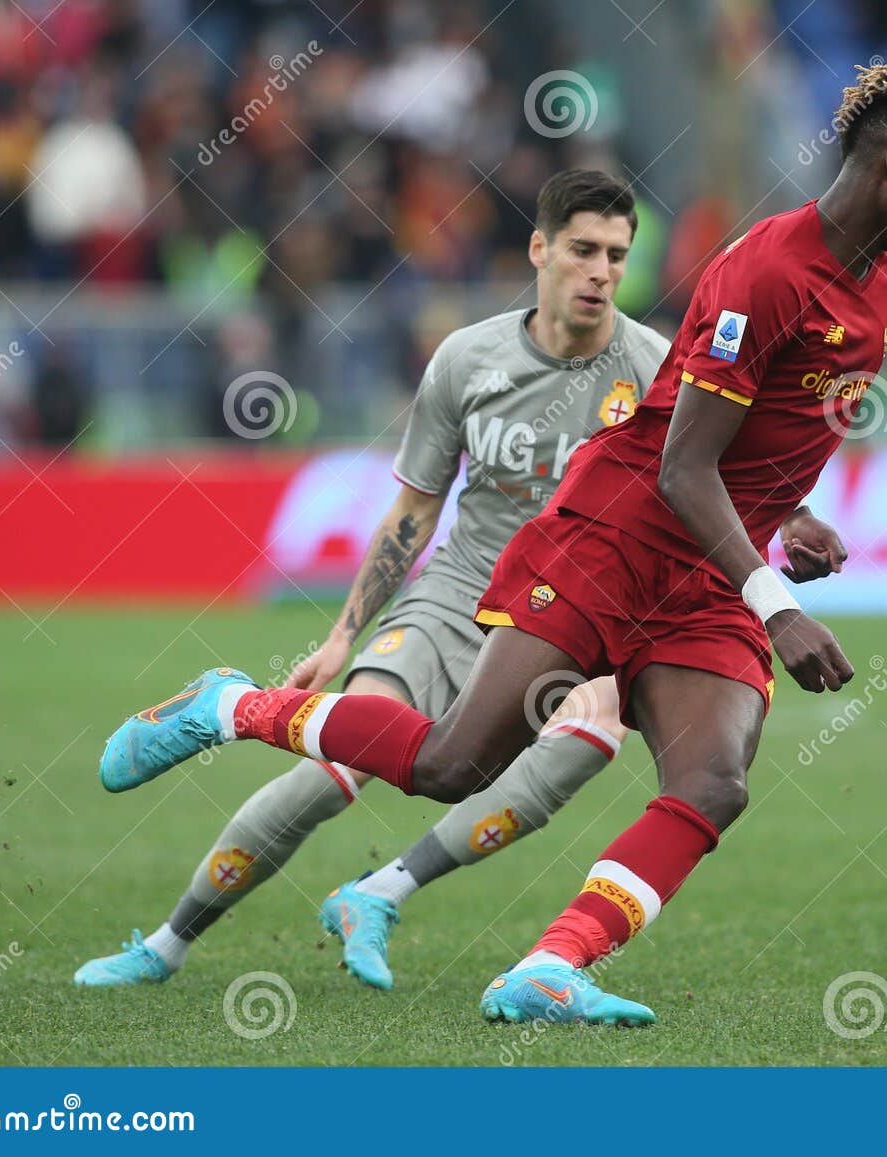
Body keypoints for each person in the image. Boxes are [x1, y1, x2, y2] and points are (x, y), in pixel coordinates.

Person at [98, 55, 887, 1026]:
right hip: (612, 542)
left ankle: (550, 965)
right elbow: (681, 466)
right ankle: (232, 705)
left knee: (713, 780)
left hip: (701, 578)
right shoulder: (764, 272)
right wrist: (779, 605)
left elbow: (765, 432)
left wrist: (792, 514)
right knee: (452, 763)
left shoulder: (883, 282)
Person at [77, 170, 673, 990]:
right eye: (583, 250)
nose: (602, 271)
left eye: (617, 254)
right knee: (336, 769)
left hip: (571, 623)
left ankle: (378, 891)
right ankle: (167, 943)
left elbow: (702, 485)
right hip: (458, 597)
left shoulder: (653, 370)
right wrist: (342, 635)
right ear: (540, 250)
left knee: (587, 744)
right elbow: (414, 511)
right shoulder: (468, 360)